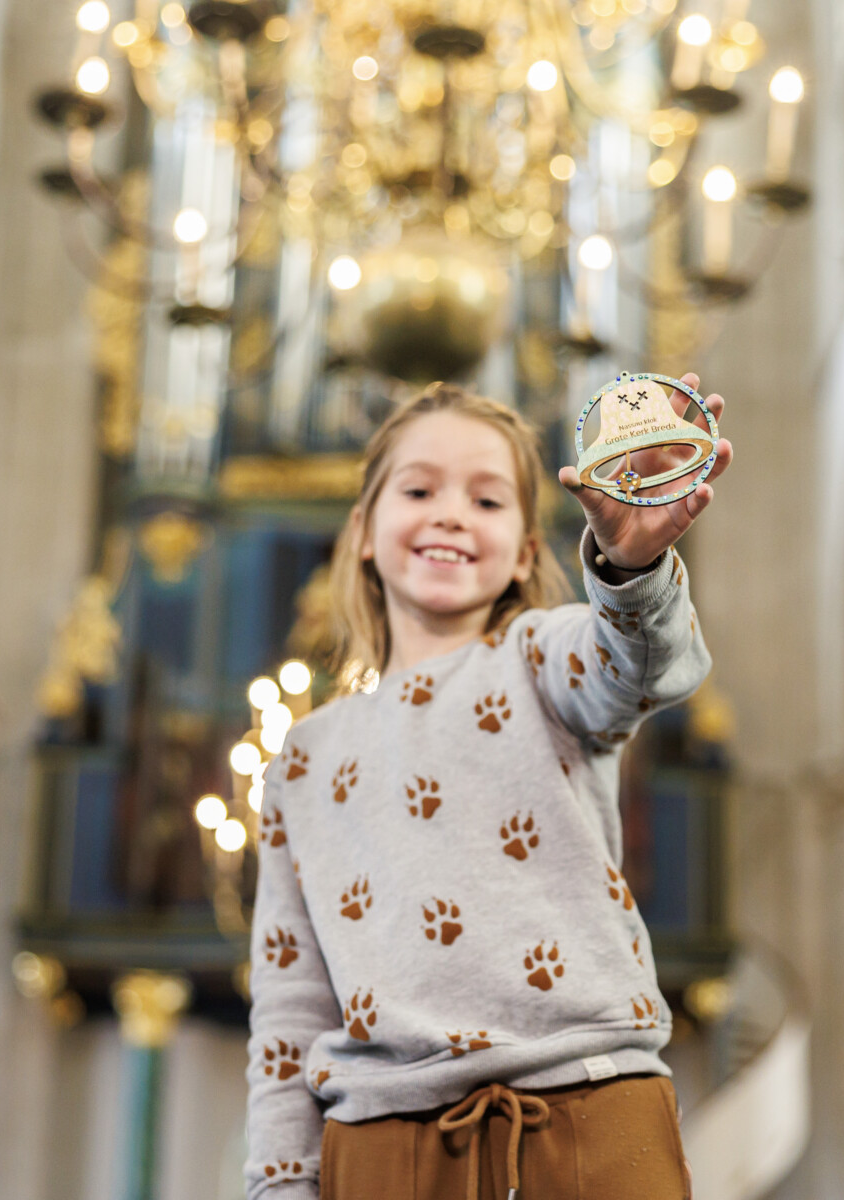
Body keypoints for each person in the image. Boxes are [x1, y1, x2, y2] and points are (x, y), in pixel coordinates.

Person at [244, 377, 731, 1200]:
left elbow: (642, 665)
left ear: (527, 551)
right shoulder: (304, 755)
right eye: (420, 488)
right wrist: (280, 1185)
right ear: (363, 531)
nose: (451, 514)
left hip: (590, 1116)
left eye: (488, 499)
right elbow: (291, 1001)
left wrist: (633, 565)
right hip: (381, 1145)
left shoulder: (543, 659)